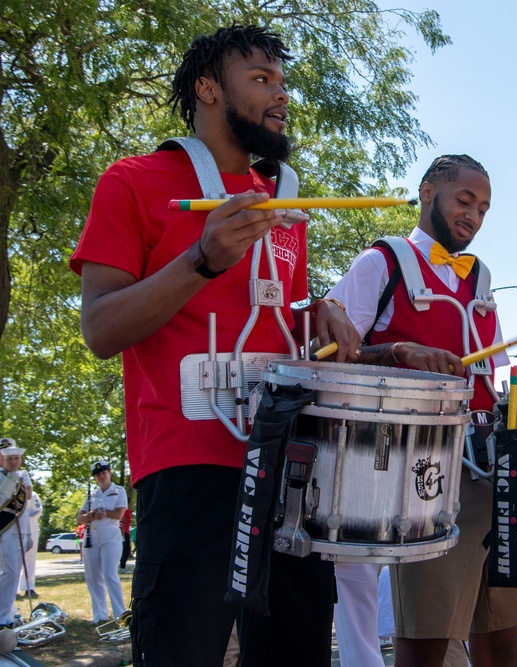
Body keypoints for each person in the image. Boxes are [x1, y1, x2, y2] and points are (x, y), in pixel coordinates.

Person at [70, 24, 360, 666]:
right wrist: (199, 258)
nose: (280, 95)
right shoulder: (134, 181)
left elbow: (273, 320)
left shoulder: (285, 201)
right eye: (261, 79)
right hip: (187, 467)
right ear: (206, 88)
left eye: (282, 81)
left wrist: (319, 310)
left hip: (291, 467)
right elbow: (99, 329)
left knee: (297, 652)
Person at [326, 154, 517, 667]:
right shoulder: (381, 262)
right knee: (427, 633)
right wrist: (397, 351)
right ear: (428, 193)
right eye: (465, 201)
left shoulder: (481, 278)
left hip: (490, 463)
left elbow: (490, 377)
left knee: (501, 627)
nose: (474, 216)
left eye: (485, 209)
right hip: (418, 465)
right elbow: (328, 354)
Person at [77, 461, 128, 624]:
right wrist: (91, 515)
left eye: (104, 473)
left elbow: (120, 514)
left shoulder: (118, 491)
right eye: (98, 475)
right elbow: (80, 517)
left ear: (109, 473)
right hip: (92, 535)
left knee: (109, 574)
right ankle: (99, 615)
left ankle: (120, 614)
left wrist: (104, 513)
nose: (101, 476)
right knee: (92, 576)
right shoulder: (92, 495)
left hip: (110, 535)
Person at [0, 441, 32, 629]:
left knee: (12, 574)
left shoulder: (20, 476)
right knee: (10, 573)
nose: (13, 461)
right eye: (8, 457)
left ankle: (8, 612)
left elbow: (27, 498)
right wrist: (11, 479)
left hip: (19, 531)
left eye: (16, 458)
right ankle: (3, 617)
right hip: (6, 531)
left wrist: (27, 533)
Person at [19, 491, 42, 598]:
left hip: (30, 531)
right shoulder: (7, 492)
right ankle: (9, 589)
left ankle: (29, 587)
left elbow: (38, 510)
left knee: (30, 560)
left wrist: (24, 518)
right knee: (10, 561)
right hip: (12, 531)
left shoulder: (32, 494)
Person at [119, 504, 132, 573]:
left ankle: (122, 566)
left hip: (124, 532)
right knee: (126, 550)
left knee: (124, 550)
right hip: (124, 532)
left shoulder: (121, 509)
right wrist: (123, 534)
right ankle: (122, 567)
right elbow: (124, 521)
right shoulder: (126, 510)